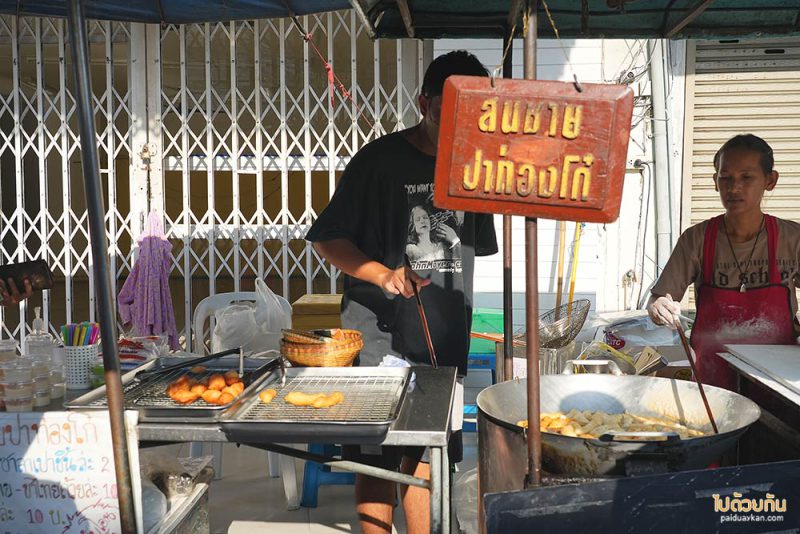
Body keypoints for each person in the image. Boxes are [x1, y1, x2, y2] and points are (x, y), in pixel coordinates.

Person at [306, 50, 497, 534]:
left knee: (425, 449)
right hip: (378, 335)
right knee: (376, 455)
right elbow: (328, 238)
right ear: (424, 102)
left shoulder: (474, 167)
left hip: (443, 336)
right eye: (445, 109)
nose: (455, 122)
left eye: (469, 112)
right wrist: (381, 274)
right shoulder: (378, 161)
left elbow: (475, 248)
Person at [647, 134, 800, 390]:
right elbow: (658, 300)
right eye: (725, 177)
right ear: (715, 182)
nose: (734, 187)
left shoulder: (792, 239)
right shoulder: (696, 239)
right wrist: (658, 307)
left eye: (746, 178)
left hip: (779, 384)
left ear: (770, 181)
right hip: (712, 384)